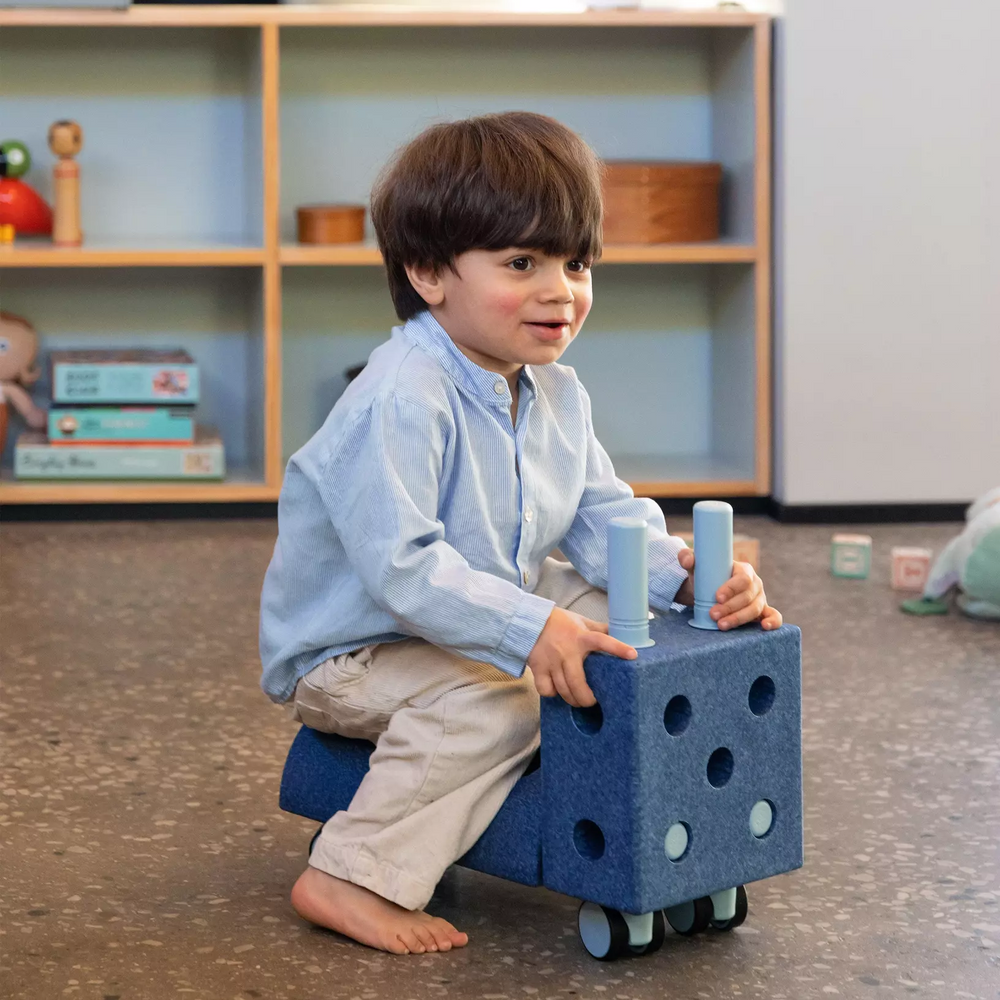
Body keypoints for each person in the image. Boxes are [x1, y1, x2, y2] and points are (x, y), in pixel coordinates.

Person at [258, 111, 782, 956]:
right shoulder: (400, 398)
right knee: (501, 692)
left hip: (476, 606)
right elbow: (404, 571)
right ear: (429, 272)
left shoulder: (555, 391)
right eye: (521, 263)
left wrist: (683, 578)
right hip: (356, 649)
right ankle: (351, 873)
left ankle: (649, 814)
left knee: (623, 622)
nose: (560, 290)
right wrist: (530, 629)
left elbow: (601, 514)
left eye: (576, 263)